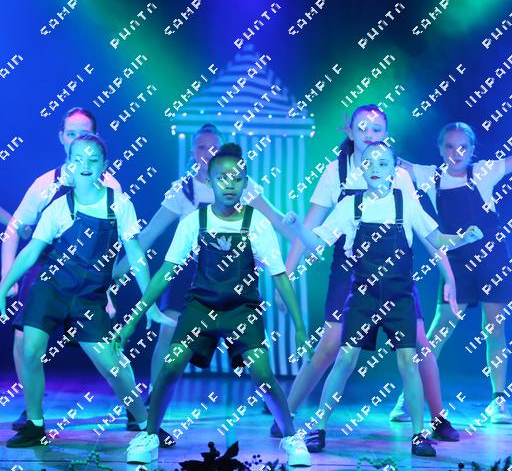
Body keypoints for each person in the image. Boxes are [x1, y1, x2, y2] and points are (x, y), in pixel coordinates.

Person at [284, 141, 482, 456]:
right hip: (362, 296)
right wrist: (296, 227)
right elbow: (318, 245)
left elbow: (437, 239)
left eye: (383, 163)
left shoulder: (407, 204)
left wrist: (464, 238)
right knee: (345, 359)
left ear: (393, 170)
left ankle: (418, 435)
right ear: (361, 169)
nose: (375, 168)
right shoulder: (350, 206)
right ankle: (318, 427)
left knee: (408, 362)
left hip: (399, 297)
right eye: (369, 163)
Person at [120, 143, 311, 467]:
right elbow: (165, 273)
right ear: (209, 181)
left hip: (242, 309)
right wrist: (132, 320)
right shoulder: (193, 221)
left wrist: (301, 327)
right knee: (171, 365)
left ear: (246, 183)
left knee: (262, 374)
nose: (229, 184)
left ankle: (291, 437)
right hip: (201, 307)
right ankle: (149, 435)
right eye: (222, 178)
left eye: (237, 178)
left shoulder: (257, 223)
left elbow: (280, 277)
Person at [396, 114, 512, 423]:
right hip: (456, 259)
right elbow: (390, 160)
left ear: (471, 149)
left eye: (463, 147)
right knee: (440, 329)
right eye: (450, 147)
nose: (456, 153)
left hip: (491, 258)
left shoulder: (483, 171)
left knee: (495, 327)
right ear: (440, 149)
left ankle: (498, 401)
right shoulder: (429, 176)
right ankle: (408, 396)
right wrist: (361, 139)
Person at [0, 134, 171, 447]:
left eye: (93, 159)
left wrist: (150, 302)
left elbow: (136, 255)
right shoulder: (57, 207)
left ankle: (146, 423)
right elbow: (31, 250)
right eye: (78, 159)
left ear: (105, 165)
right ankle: (35, 425)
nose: (85, 165)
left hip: (89, 298)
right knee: (30, 350)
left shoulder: (119, 204)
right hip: (51, 290)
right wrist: (4, 285)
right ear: (69, 165)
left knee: (113, 364)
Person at [112, 123, 292, 391]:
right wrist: (114, 274)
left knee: (252, 342)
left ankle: (269, 396)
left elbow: (276, 219)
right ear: (193, 152)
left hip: (235, 273)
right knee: (168, 330)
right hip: (191, 273)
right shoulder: (183, 189)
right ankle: (154, 395)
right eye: (201, 147)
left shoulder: (243, 185)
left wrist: (305, 241)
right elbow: (148, 235)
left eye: (214, 147)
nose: (208, 152)